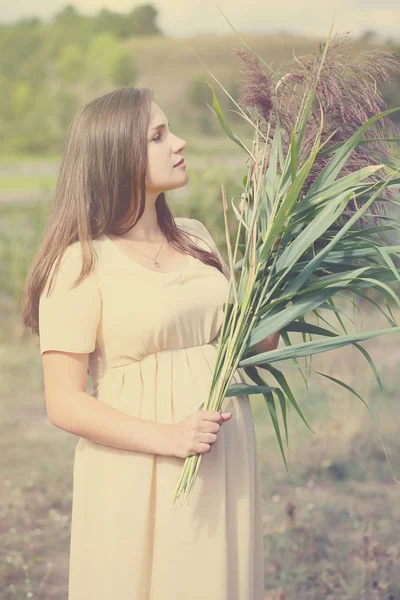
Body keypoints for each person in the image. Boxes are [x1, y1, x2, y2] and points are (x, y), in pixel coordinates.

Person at [21, 87, 279, 599]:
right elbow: (64, 403)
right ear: (119, 156)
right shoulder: (80, 263)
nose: (179, 142)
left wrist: (278, 274)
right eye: (159, 136)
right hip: (141, 464)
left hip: (219, 455)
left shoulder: (197, 238)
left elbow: (253, 347)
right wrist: (170, 437)